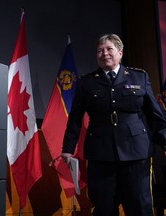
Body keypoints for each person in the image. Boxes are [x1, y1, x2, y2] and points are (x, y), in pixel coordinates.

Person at [61, 33, 166, 216]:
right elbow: (75, 118)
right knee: (104, 207)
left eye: (109, 49)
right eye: (100, 51)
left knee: (140, 206)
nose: (105, 54)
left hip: (136, 152)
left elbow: (155, 115)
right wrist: (68, 148)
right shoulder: (86, 82)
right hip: (101, 154)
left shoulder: (138, 77)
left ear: (120, 52)